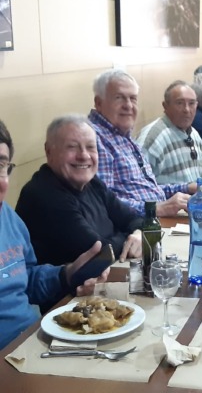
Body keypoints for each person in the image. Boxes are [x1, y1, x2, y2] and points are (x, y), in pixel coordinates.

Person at [0, 119, 108, 350]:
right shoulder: (43, 193)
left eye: (0, 165)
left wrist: (67, 273)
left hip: (32, 340)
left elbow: (27, 280)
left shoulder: (7, 217)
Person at [87, 69, 202, 217]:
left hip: (154, 219)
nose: (128, 105)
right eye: (119, 98)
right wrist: (157, 208)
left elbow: (148, 189)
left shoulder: (122, 135)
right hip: (136, 226)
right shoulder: (93, 140)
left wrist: (187, 188)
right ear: (99, 103)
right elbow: (103, 205)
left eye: (133, 98)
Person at [16, 114, 143, 266]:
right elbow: (98, 253)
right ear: (49, 152)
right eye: (72, 147)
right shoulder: (43, 195)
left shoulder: (93, 183)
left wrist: (138, 234)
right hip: (72, 281)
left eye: (90, 147)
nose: (84, 155)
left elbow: (135, 219)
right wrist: (130, 238)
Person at [136, 81, 202, 185]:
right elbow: (139, 185)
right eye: (179, 103)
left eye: (191, 103)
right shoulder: (153, 138)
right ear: (165, 106)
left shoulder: (194, 134)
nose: (187, 109)